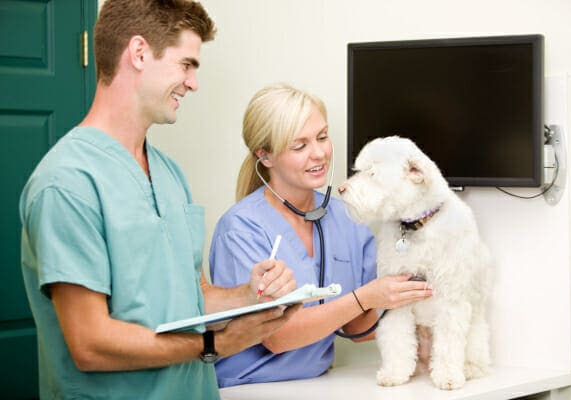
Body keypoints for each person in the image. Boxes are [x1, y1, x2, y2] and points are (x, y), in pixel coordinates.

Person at [19, 2, 299, 399]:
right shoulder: (66, 184)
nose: (193, 83)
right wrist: (214, 345)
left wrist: (249, 295)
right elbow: (90, 343)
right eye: (186, 64)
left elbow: (190, 293)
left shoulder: (169, 173)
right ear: (138, 53)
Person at [209, 83, 433, 387]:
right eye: (299, 146)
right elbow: (277, 337)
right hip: (249, 389)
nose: (319, 154)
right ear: (265, 156)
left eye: (322, 137)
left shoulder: (346, 218)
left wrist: (412, 309)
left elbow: (356, 326)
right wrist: (366, 296)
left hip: (316, 385)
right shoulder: (241, 228)